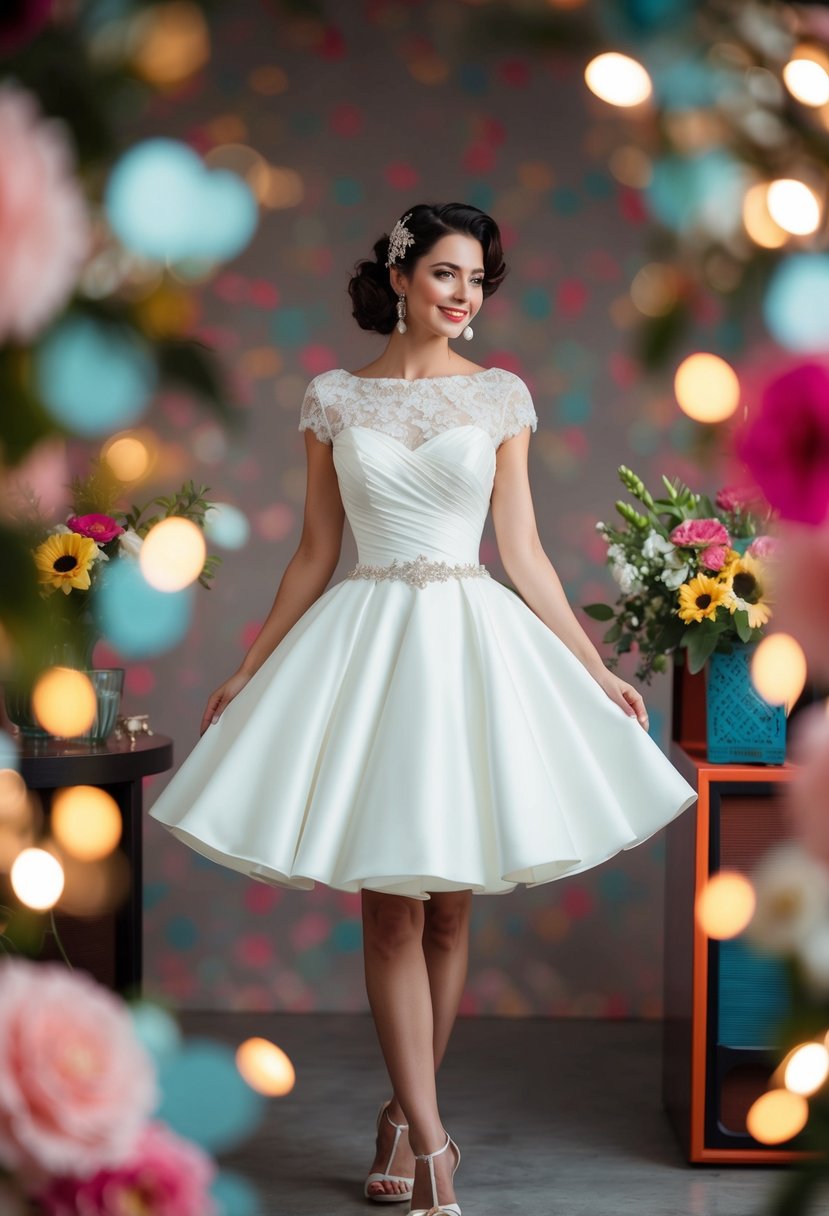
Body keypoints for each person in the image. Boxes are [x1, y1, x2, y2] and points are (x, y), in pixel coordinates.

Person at [149, 202, 698, 1216]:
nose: (465, 294)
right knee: (391, 908)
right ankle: (435, 1143)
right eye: (446, 272)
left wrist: (590, 666)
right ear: (399, 275)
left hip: (469, 645)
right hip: (366, 646)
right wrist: (250, 662)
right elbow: (315, 550)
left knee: (451, 908)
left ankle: (405, 1116)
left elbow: (523, 552)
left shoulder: (500, 398)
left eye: (478, 278)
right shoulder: (332, 399)